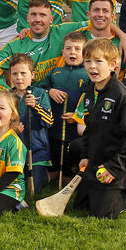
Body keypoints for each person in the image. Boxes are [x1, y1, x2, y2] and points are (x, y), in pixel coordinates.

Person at [67, 37, 126, 218]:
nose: (92, 67)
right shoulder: (91, 90)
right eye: (88, 61)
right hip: (97, 162)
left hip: (117, 165)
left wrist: (113, 168)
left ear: (113, 64)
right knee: (80, 207)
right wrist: (86, 156)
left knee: (102, 214)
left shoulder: (123, 96)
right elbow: (90, 129)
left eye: (98, 61)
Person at [0, 0, 90, 85]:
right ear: (27, 18)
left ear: (51, 19)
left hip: (61, 91)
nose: (37, 20)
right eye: (33, 15)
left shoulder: (61, 31)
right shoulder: (14, 46)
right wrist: (9, 91)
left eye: (43, 15)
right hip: (31, 97)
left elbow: (95, 23)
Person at [4, 53, 54, 196]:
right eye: (15, 74)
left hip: (37, 151)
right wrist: (11, 128)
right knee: (14, 187)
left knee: (31, 192)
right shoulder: (8, 95)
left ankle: (43, 175)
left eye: (23, 73)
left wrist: (36, 107)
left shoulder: (40, 94)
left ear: (32, 75)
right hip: (15, 152)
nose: (19, 77)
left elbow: (49, 122)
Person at [44, 31, 89, 183]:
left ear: (85, 52)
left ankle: (70, 175)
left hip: (74, 128)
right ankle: (54, 172)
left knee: (71, 157)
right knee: (54, 150)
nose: (73, 52)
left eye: (77, 49)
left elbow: (92, 100)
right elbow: (40, 89)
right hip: (55, 127)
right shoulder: (55, 73)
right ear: (63, 52)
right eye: (69, 49)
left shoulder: (88, 74)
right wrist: (50, 91)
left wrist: (78, 117)